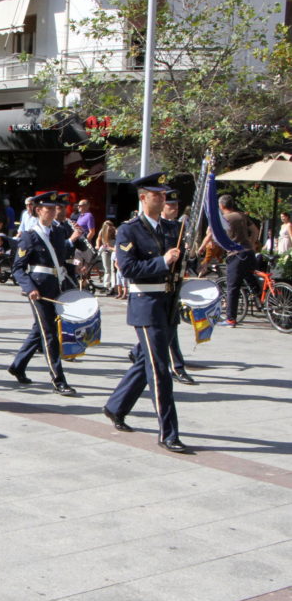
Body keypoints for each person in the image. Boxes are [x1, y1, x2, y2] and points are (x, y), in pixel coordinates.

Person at [102, 173, 188, 453]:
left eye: (164, 194)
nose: (163, 198)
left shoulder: (171, 228)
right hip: (146, 304)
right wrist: (163, 262)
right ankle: (168, 432)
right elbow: (128, 269)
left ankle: (116, 406)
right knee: (160, 369)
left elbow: (181, 263)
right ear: (143, 198)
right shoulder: (129, 230)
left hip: (168, 303)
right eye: (157, 194)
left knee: (146, 362)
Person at [7, 191, 79, 396]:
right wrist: (29, 288)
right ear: (38, 211)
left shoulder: (58, 232)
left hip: (56, 286)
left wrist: (75, 266)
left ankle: (18, 365)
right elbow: (18, 268)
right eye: (48, 208)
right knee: (50, 334)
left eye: (55, 208)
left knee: (39, 331)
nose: (54, 211)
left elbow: (62, 259)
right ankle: (58, 379)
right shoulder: (30, 236)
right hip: (38, 289)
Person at [159, 189, 196, 385]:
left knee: (169, 324)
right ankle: (177, 367)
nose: (174, 208)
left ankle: (139, 352)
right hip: (159, 282)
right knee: (165, 326)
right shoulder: (158, 227)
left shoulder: (179, 226)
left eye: (176, 205)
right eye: (170, 205)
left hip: (174, 282)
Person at [218, 194, 259, 327]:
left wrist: (201, 248)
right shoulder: (241, 215)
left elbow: (211, 235)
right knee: (250, 278)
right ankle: (264, 300)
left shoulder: (224, 219)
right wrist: (252, 244)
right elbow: (255, 230)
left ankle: (231, 319)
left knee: (232, 287)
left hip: (236, 255)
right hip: (249, 253)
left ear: (221, 206)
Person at [96, 220, 117, 293]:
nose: (109, 230)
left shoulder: (115, 231)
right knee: (107, 269)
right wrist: (98, 245)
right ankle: (106, 285)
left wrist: (112, 247)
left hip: (112, 249)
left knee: (113, 269)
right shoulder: (102, 231)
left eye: (110, 228)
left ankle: (113, 286)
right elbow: (98, 239)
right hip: (105, 250)